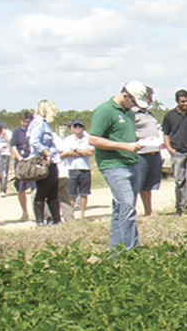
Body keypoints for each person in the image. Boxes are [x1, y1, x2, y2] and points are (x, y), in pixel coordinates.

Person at [87, 82, 149, 249]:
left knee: (120, 210)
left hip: (131, 162)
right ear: (125, 95)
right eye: (133, 101)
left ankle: (116, 252)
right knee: (128, 206)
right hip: (113, 164)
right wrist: (125, 146)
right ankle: (132, 249)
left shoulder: (128, 112)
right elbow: (93, 139)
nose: (134, 106)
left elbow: (122, 135)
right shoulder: (105, 110)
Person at [28, 99, 62, 226]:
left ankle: (56, 219)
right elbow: (34, 141)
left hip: (52, 160)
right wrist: (46, 153)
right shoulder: (39, 123)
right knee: (42, 191)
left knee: (53, 191)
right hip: (43, 161)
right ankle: (40, 221)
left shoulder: (44, 123)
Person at [133, 95, 165, 218]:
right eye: (148, 98)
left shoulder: (150, 114)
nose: (150, 101)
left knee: (148, 185)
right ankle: (131, 211)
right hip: (141, 154)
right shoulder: (133, 114)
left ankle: (148, 211)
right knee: (137, 184)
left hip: (154, 152)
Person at [57, 119, 92, 220]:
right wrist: (79, 152)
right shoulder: (68, 140)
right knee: (71, 194)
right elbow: (63, 154)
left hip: (85, 168)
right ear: (71, 128)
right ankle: (71, 215)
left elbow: (90, 152)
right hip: (71, 169)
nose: (78, 128)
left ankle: (82, 215)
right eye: (75, 126)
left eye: (80, 126)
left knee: (84, 193)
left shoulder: (88, 138)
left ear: (84, 127)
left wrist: (76, 150)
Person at [9, 111, 33, 220]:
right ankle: (25, 212)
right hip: (21, 163)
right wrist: (20, 159)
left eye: (28, 122)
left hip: (33, 162)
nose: (26, 124)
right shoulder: (17, 132)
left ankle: (35, 212)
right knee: (21, 188)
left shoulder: (34, 131)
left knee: (35, 188)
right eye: (24, 122)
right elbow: (13, 146)